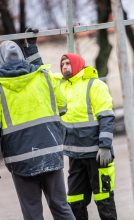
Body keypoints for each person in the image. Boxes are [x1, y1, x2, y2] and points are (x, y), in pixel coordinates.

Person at [0, 40, 75, 220]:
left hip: (20, 159)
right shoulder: (44, 76)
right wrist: (32, 48)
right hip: (51, 151)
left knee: (32, 212)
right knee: (61, 206)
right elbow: (63, 107)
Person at [55, 53, 118, 220]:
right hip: (75, 157)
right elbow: (41, 75)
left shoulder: (95, 85)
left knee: (104, 201)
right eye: (62, 64)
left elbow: (106, 116)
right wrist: (30, 48)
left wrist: (105, 146)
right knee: (75, 202)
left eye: (68, 63)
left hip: (97, 156)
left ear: (77, 64)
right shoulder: (61, 86)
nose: (65, 67)